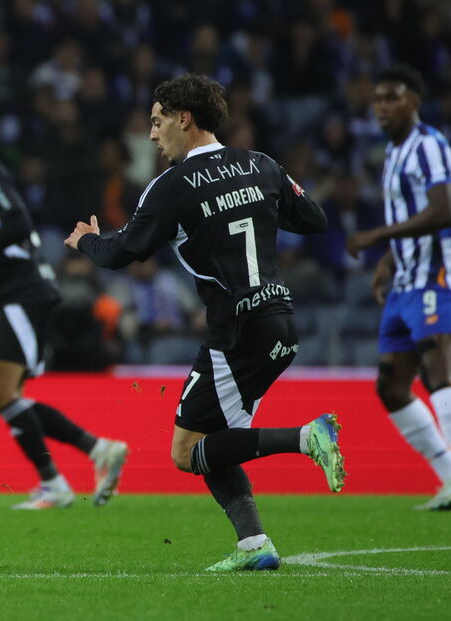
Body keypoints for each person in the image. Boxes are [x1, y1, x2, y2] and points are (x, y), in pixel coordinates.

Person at [65, 74, 343, 571]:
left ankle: (306, 437)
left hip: (235, 332)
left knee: (185, 450)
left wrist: (85, 239)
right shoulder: (261, 165)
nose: (152, 134)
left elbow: (121, 253)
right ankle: (254, 545)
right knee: (216, 442)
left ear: (183, 119)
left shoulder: (171, 187)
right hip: (280, 321)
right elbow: (315, 220)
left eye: (157, 122)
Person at [0, 95, 128, 509]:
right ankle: (88, 456)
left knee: (1, 391)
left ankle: (71, 470)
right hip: (6, 291)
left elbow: (19, 222)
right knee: (9, 394)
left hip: (22, 292)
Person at [346, 64, 451, 511]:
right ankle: (448, 479)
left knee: (439, 365)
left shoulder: (429, 146)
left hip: (435, 277)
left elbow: (444, 209)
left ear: (414, 101)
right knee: (391, 386)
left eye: (393, 97)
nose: (383, 107)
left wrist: (377, 239)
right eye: (378, 100)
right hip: (404, 280)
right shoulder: (392, 152)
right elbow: (410, 216)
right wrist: (388, 261)